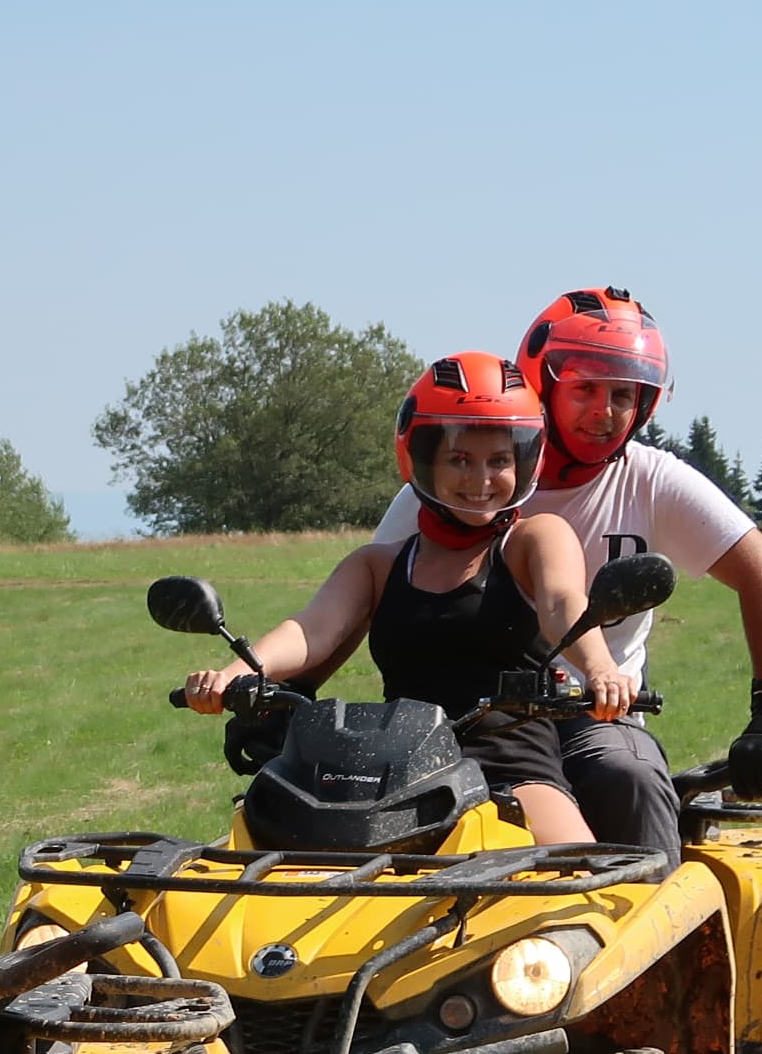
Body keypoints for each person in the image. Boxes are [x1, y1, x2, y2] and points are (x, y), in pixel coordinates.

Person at [362, 287, 762, 852]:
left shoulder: (652, 479)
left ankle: (655, 927)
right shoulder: (456, 489)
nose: (605, 411)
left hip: (595, 711)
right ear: (545, 384)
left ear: (646, 404)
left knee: (628, 775)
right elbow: (373, 593)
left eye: (624, 393)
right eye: (586, 389)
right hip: (466, 720)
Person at [180, 353, 615, 845]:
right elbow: (311, 629)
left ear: (525, 461)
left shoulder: (535, 539)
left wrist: (598, 665)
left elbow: (562, 604)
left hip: (509, 767)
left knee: (578, 882)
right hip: (395, 772)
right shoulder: (378, 566)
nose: (481, 480)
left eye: (499, 460)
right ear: (422, 460)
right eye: (460, 459)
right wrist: (235, 676)